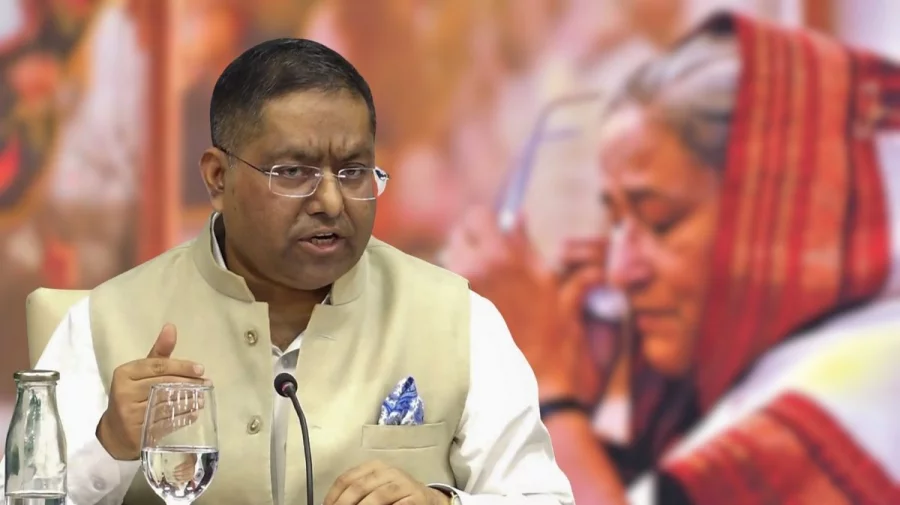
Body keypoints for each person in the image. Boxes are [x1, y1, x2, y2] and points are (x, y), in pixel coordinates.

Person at [0, 38, 575, 505]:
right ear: (218, 178)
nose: (331, 201)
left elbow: (541, 497)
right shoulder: (107, 323)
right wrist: (109, 446)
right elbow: (24, 498)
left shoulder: (457, 320)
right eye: (293, 173)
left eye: (353, 172)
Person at [445, 12, 900, 505]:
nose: (621, 272)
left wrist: (549, 387)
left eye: (661, 222)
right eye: (616, 225)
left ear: (777, 214)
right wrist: (577, 408)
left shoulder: (854, 395)